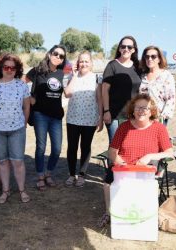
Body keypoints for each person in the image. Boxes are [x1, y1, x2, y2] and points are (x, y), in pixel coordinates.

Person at [98, 94, 173, 227]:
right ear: (132, 110)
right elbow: (112, 151)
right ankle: (109, 212)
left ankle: (145, 213)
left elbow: (169, 152)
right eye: (138, 107)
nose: (141, 111)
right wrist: (120, 162)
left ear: (152, 111)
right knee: (108, 182)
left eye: (145, 108)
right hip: (123, 167)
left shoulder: (159, 128)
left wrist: (150, 156)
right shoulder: (124, 127)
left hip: (146, 169)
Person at [0, 53, 30, 204]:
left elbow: (26, 106)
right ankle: (5, 190)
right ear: (1, 68)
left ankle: (22, 190)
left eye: (12, 68)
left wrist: (24, 123)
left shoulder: (22, 85)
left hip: (17, 129)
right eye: (6, 67)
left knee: (18, 161)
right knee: (2, 161)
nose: (9, 70)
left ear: (17, 70)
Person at [25, 45, 67, 191]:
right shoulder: (38, 70)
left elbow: (66, 92)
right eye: (56, 54)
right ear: (49, 54)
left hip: (56, 116)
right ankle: (40, 176)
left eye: (61, 56)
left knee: (57, 149)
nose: (58, 57)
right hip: (40, 115)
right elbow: (22, 82)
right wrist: (29, 97)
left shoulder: (61, 73)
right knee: (41, 147)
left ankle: (49, 173)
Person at [64, 51, 103, 187]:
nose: (84, 64)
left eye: (86, 61)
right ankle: (71, 174)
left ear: (91, 64)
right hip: (73, 119)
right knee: (72, 147)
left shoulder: (97, 78)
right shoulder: (71, 76)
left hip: (90, 119)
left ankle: (81, 174)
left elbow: (99, 99)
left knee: (85, 147)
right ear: (77, 63)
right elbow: (67, 93)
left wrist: (101, 117)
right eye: (81, 61)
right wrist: (74, 76)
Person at [102, 35, 141, 143]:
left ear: (133, 50)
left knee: (130, 145)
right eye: (123, 46)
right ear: (119, 48)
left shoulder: (138, 67)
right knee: (115, 145)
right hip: (114, 115)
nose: (126, 49)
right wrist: (106, 111)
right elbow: (104, 90)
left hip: (134, 115)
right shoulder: (112, 65)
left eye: (129, 47)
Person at [139, 46, 176, 125]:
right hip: (143, 116)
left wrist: (163, 116)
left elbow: (171, 98)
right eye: (147, 56)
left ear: (159, 59)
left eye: (153, 56)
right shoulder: (142, 76)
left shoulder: (166, 75)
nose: (150, 59)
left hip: (159, 117)